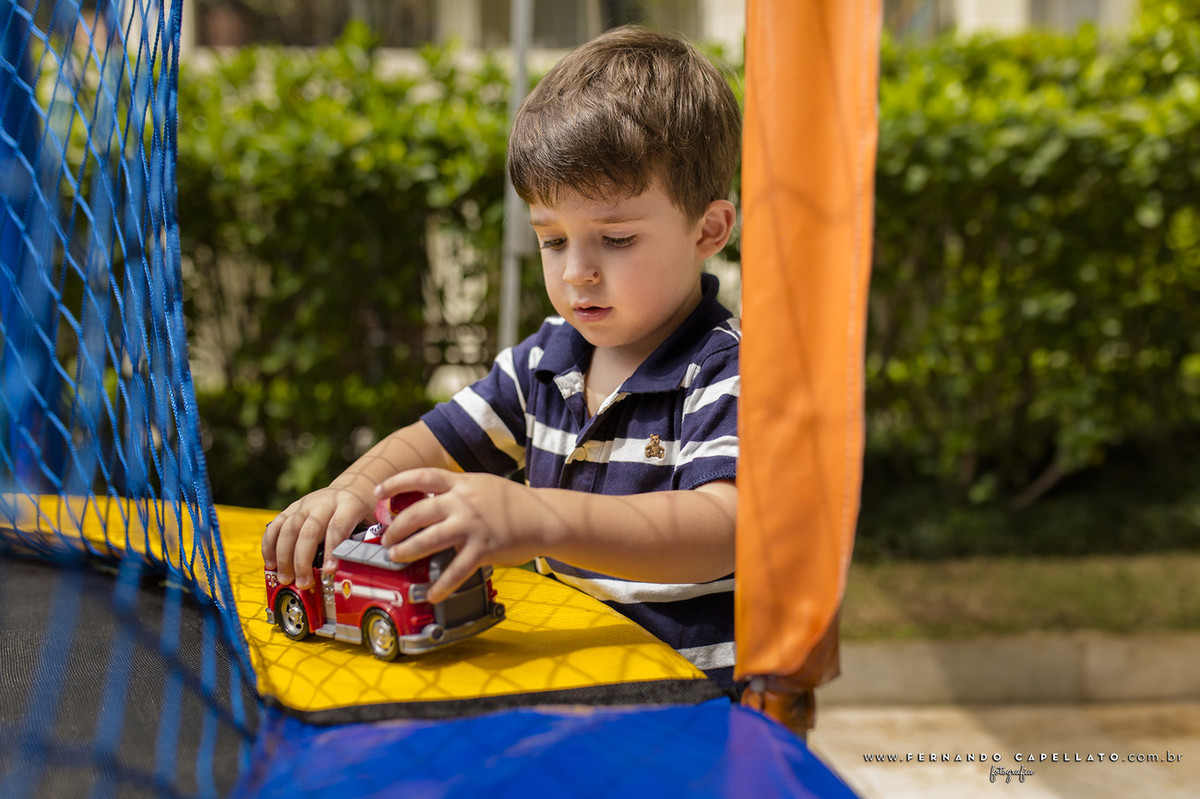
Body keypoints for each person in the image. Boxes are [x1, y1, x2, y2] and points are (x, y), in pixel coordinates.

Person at [262, 25, 743, 687]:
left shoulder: (723, 371)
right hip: (563, 687)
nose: (575, 272)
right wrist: (351, 490)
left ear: (708, 230)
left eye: (616, 239)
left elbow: (720, 529)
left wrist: (539, 518)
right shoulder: (545, 361)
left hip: (684, 708)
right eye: (553, 239)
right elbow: (432, 443)